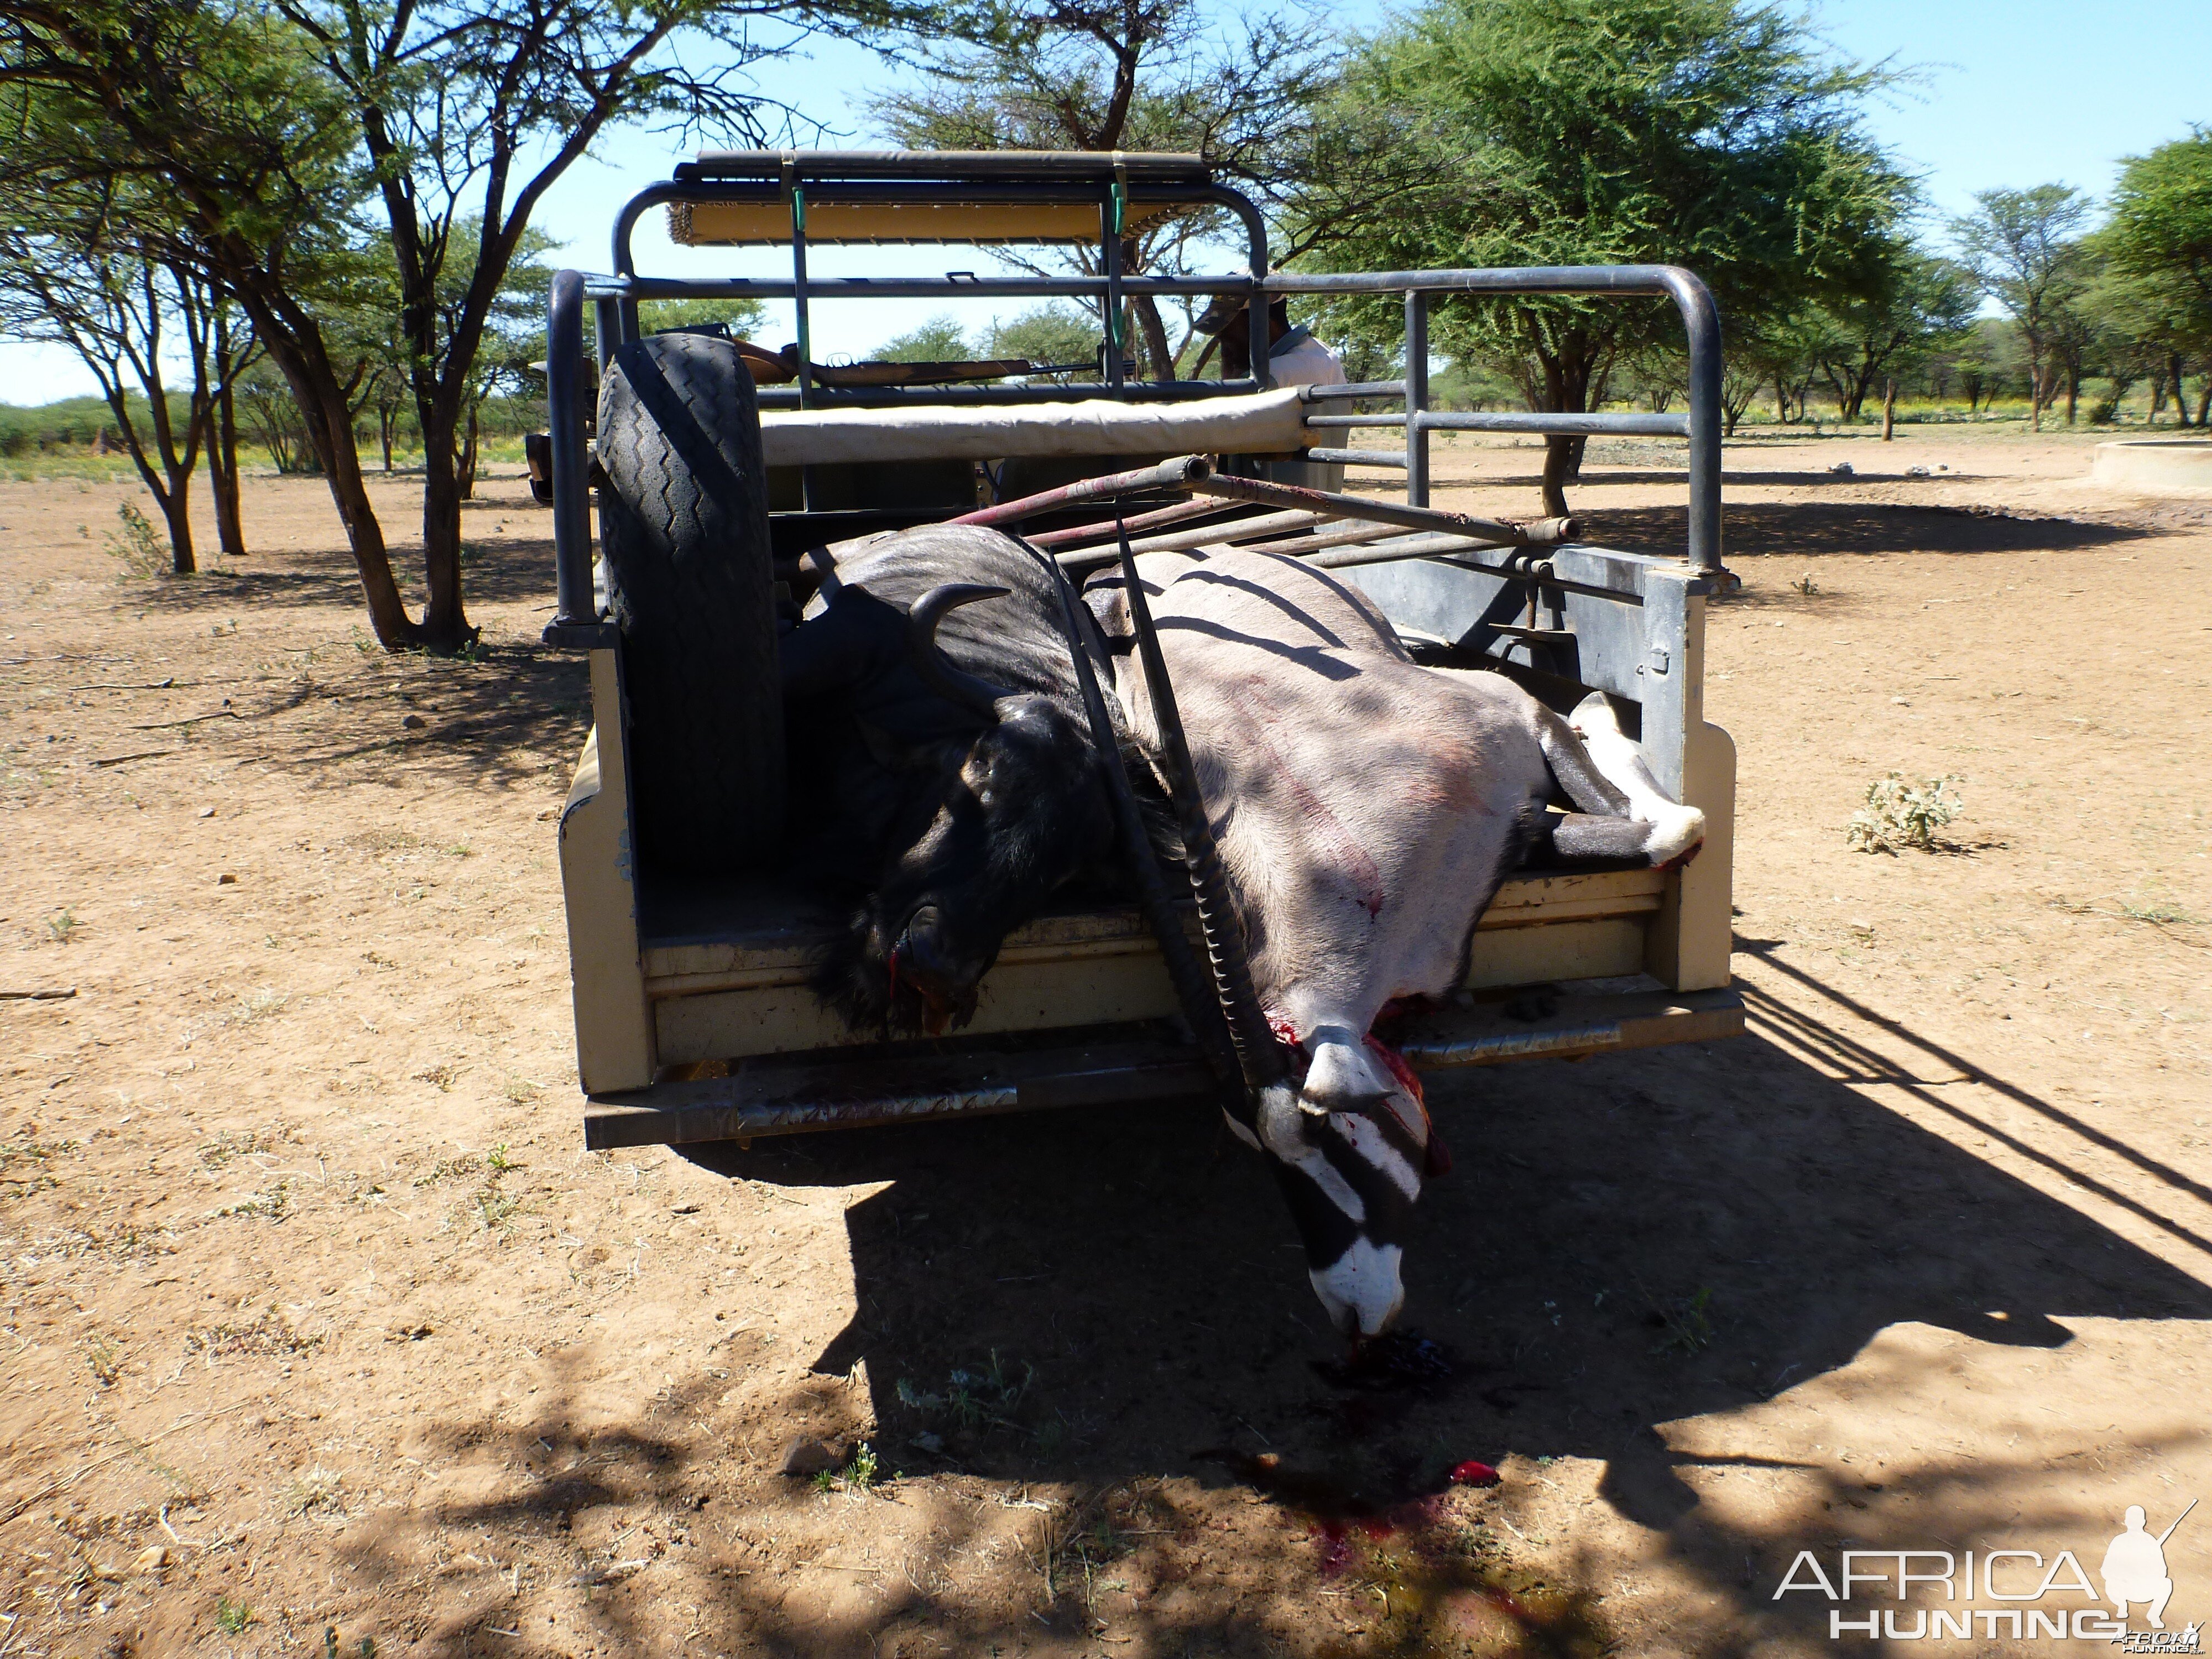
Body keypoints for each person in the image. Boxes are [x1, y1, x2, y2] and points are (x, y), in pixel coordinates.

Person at [2102, 1505, 2176, 1629]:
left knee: (2166, 1583)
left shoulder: (2149, 1542)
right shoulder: (2123, 1541)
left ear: (2126, 1522)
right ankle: (2122, 1606)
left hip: (2138, 1590)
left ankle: (2152, 1615)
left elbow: (2162, 1572)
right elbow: (2106, 1571)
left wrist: (2145, 1567)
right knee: (2166, 1583)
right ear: (2143, 1522)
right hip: (2127, 1589)